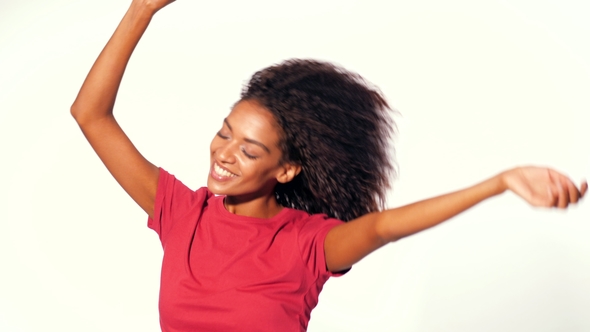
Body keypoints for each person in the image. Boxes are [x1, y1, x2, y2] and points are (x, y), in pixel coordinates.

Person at [70, 1, 587, 331]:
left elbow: (384, 226)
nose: (225, 154)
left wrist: (497, 183)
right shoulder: (184, 214)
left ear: (287, 169)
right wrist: (143, 8)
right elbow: (89, 114)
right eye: (225, 132)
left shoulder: (306, 244)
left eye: (249, 150)